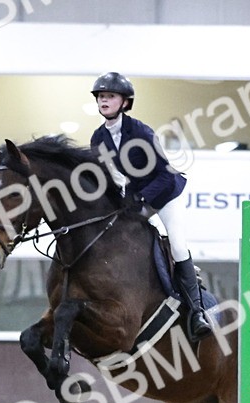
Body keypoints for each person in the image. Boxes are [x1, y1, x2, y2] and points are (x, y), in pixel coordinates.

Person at [88, 72, 213, 343]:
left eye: (109, 96)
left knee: (178, 245)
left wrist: (141, 198)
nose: (103, 100)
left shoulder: (141, 132)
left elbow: (166, 175)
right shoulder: (98, 138)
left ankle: (196, 311)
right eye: (100, 96)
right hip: (135, 198)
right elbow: (106, 178)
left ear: (124, 102)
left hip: (165, 194)